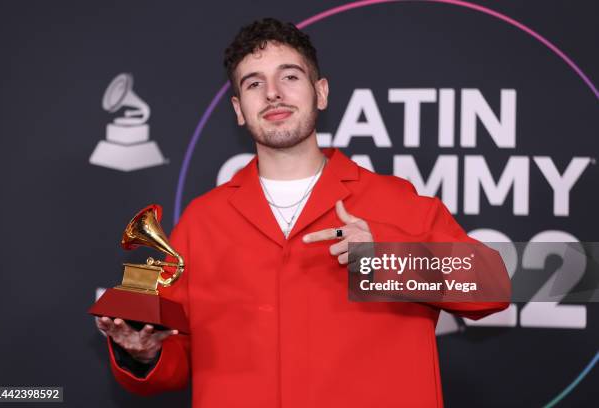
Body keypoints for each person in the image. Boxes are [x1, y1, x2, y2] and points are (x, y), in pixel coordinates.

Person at [96, 18, 510, 407]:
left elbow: (495, 286)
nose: (273, 92)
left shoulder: (398, 201)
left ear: (321, 92)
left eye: (290, 77)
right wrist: (144, 355)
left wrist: (388, 255)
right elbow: (177, 356)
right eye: (255, 83)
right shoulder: (203, 221)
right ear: (239, 110)